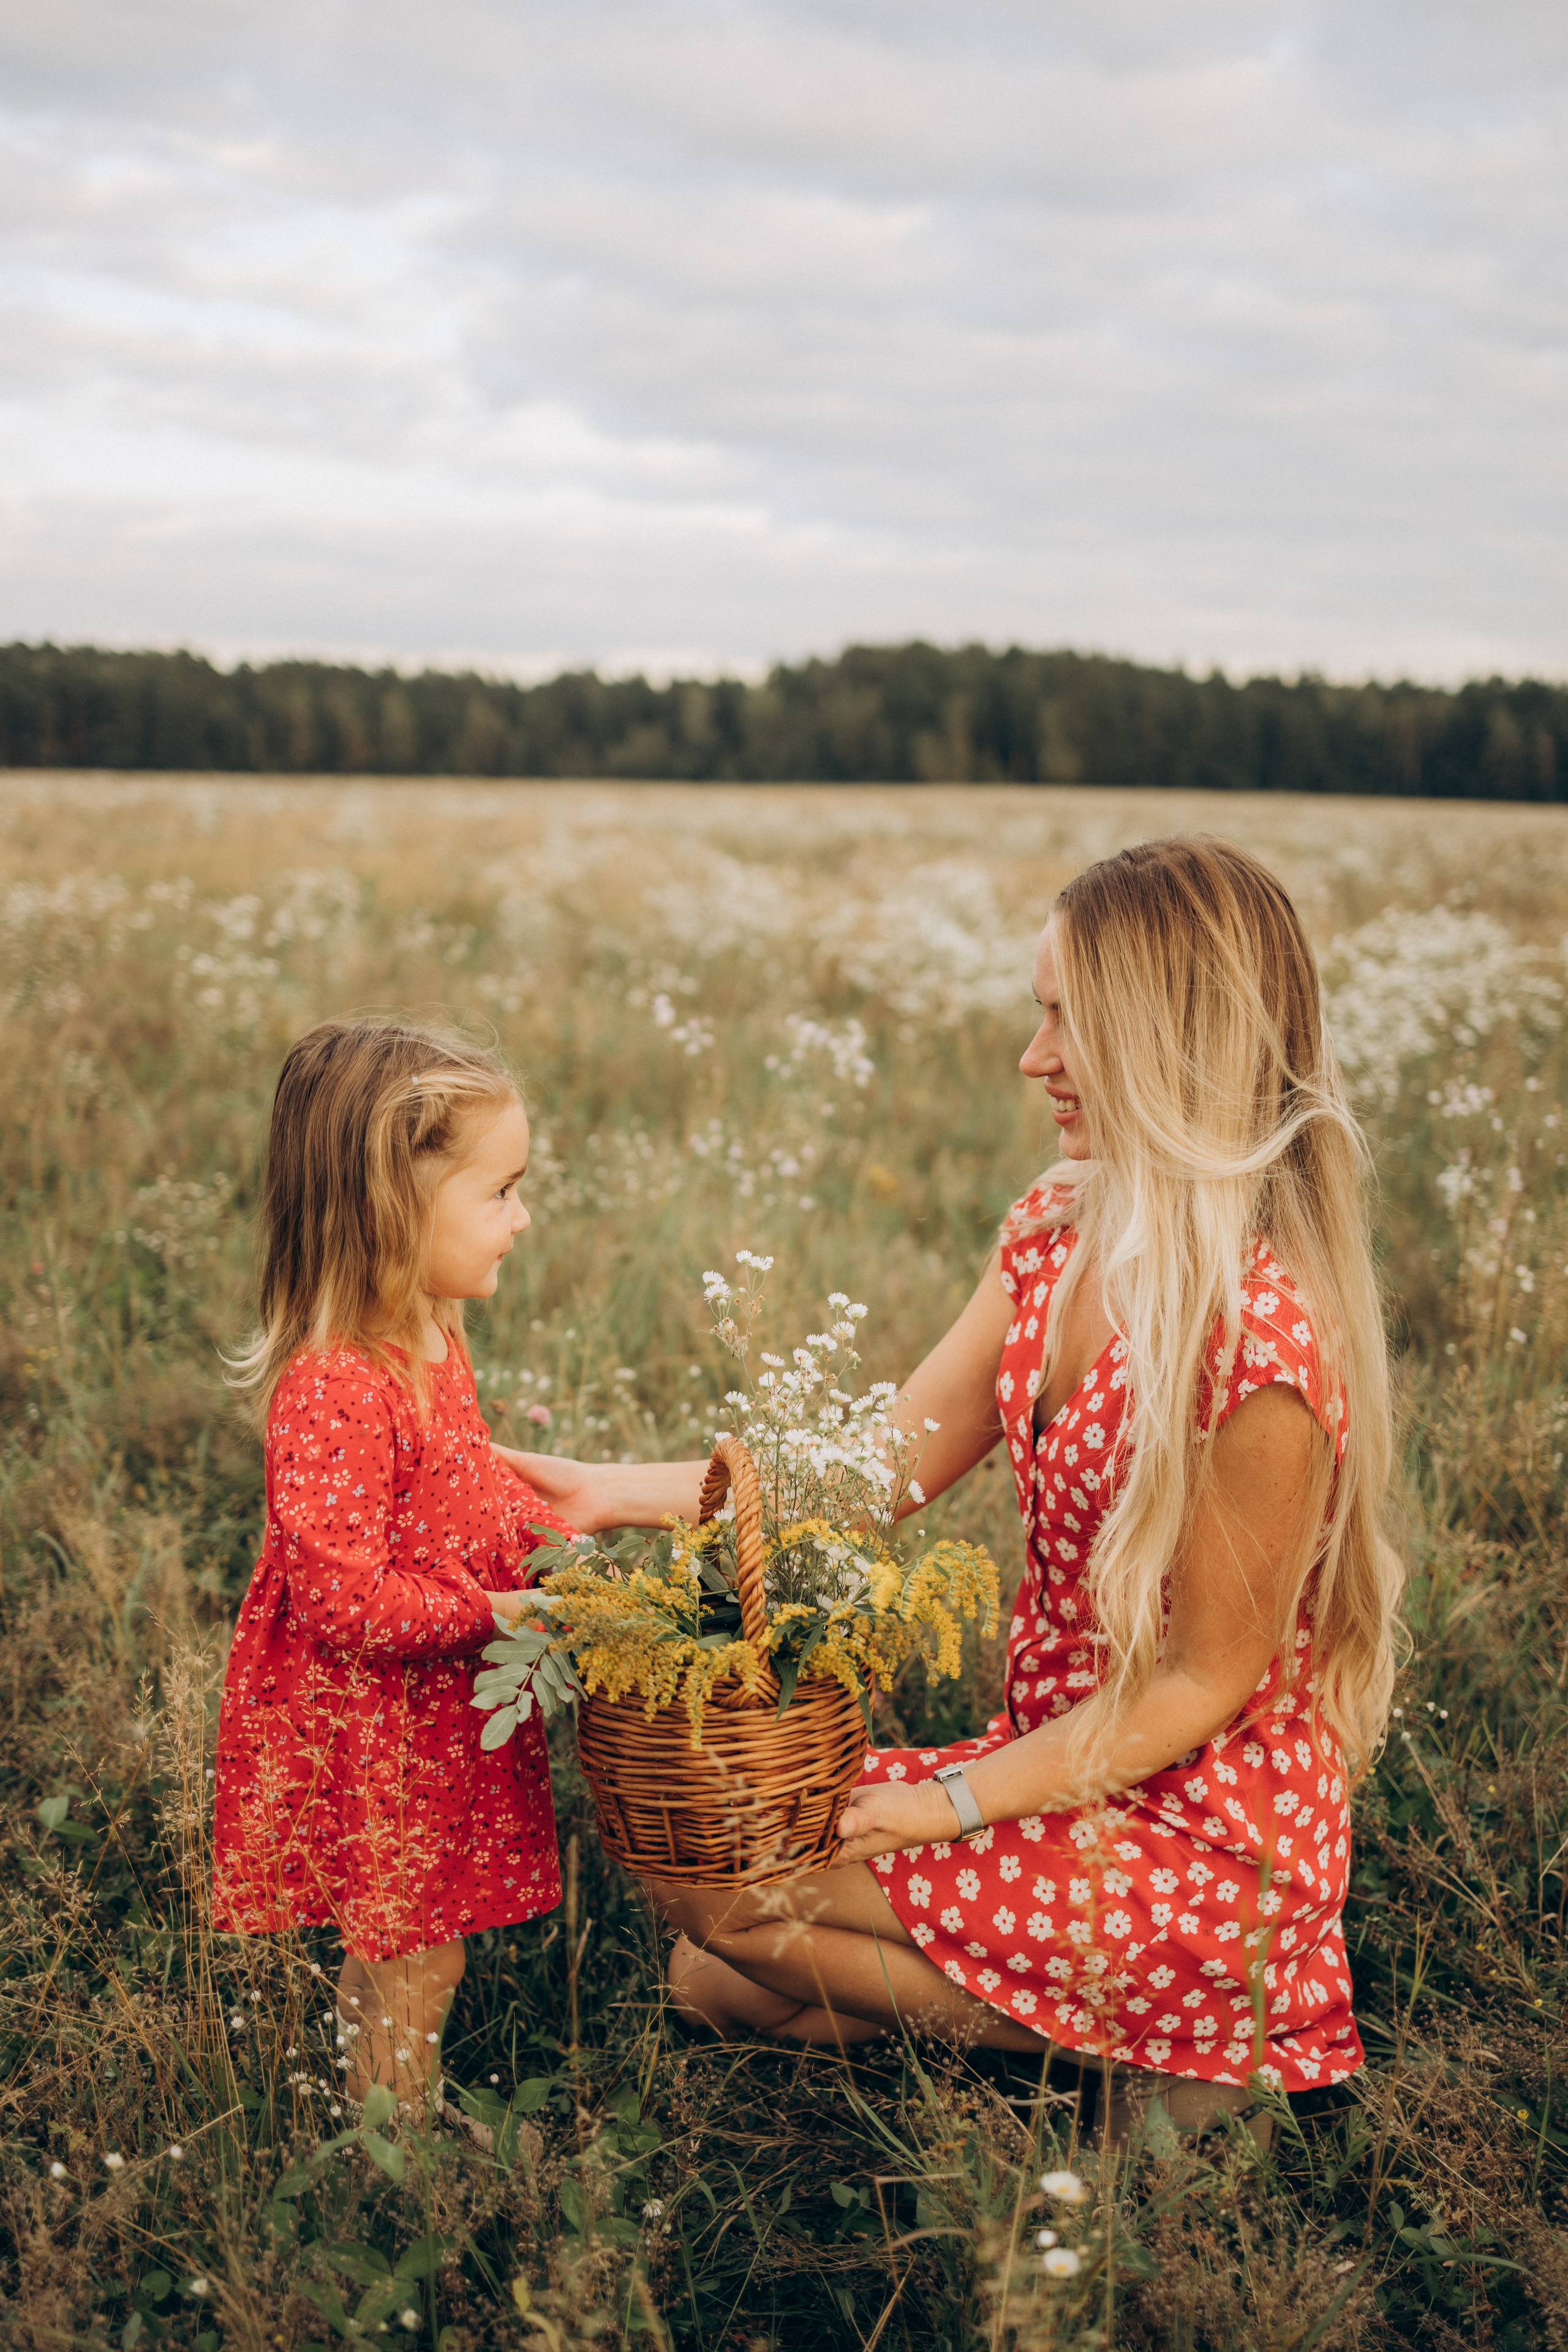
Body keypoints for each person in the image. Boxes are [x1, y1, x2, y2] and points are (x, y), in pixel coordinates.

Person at [516, 837, 1402, 2130]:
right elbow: (879, 1466)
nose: (1034, 1058)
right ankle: (1099, 2034)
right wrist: (617, 1491)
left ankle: (1188, 2041)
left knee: (728, 1901)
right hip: (1058, 1770)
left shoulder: (1260, 1346)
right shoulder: (1060, 1231)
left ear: (1172, 1041)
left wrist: (939, 1807)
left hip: (1195, 1837)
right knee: (707, 1969)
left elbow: (1198, 1685)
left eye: (1069, 1021)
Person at [212, 1018, 573, 2118]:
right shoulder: (335, 1387)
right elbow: (346, 1602)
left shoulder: (432, 1335)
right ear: (391, 1206)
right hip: (371, 1727)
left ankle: (380, 2110)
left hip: (426, 1711)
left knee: (409, 1942)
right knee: (417, 1954)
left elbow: (468, 1484)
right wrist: (502, 1611)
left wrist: (556, 1551)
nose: (522, 1217)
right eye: (500, 1191)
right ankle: (393, 2146)